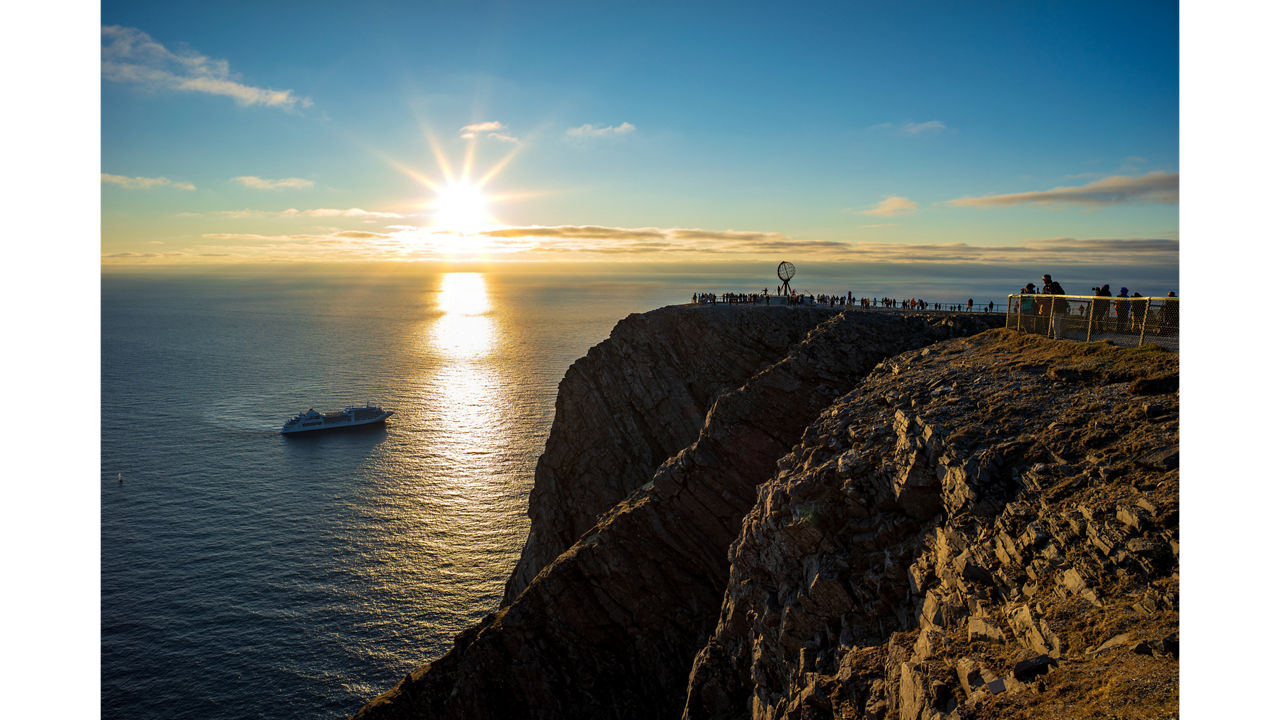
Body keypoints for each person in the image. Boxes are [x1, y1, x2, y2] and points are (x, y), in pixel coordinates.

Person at [1041, 273, 1067, 339]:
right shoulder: (1050, 287)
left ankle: (1057, 337)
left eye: (1043, 279)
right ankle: (1052, 335)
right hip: (1054, 307)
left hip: (1057, 307)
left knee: (1055, 323)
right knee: (1053, 322)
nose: (1043, 281)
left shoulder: (1052, 286)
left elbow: (1050, 295)